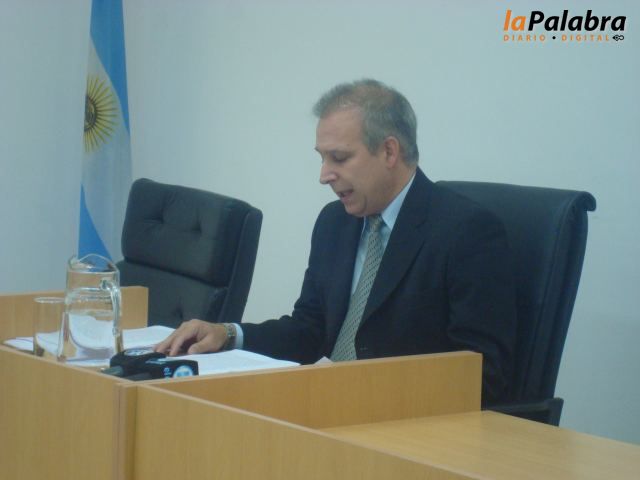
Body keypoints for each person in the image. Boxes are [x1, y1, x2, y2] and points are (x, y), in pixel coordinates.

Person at [156, 79, 517, 405]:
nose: (324, 175)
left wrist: (358, 389)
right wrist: (228, 334)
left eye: (339, 158)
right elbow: (309, 330)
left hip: (405, 425)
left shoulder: (465, 231)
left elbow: (481, 375)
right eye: (322, 158)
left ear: (389, 152)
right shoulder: (335, 223)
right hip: (329, 407)